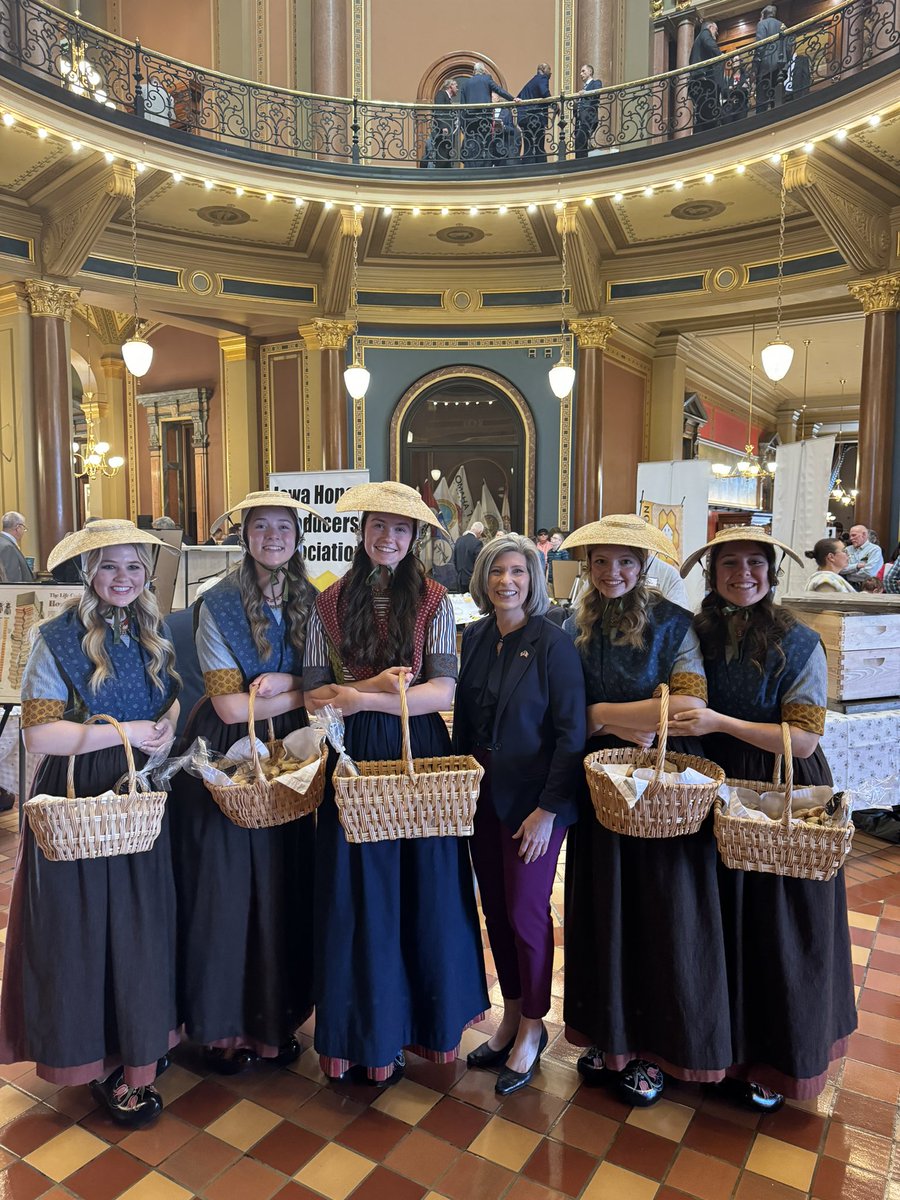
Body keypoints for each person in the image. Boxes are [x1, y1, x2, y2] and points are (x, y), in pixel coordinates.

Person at [304, 481, 489, 1085]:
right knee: (360, 895)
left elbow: (443, 691)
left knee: (423, 892)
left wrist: (361, 694)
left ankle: (423, 1031)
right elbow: (313, 696)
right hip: (352, 756)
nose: (388, 538)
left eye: (400, 530)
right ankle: (366, 1036)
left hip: (416, 754)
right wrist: (376, 690)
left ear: (416, 539)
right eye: (379, 526)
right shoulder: (327, 602)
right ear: (363, 532)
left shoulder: (435, 599)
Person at [0, 520, 181, 1126]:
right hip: (80, 791)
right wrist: (126, 732)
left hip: (139, 791)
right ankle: (98, 1058)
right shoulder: (57, 638)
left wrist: (164, 731)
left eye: (133, 566)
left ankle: (138, 1046)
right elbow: (40, 731)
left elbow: (172, 697)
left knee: (138, 925)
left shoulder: (153, 632)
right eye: (109, 567)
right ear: (87, 573)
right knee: (85, 931)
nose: (123, 579)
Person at [675, 527, 856, 1106]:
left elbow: (802, 740)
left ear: (772, 573)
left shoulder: (799, 642)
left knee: (775, 924)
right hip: (713, 785)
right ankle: (717, 1048)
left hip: (781, 789)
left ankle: (777, 1059)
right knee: (718, 920)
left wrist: (719, 724)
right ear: (714, 572)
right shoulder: (694, 634)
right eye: (730, 563)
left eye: (755, 563)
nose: (743, 573)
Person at [560, 515, 726, 1107]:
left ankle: (657, 1049)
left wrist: (601, 713)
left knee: (662, 914)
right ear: (588, 566)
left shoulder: (674, 625)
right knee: (604, 911)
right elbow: (565, 707)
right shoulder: (571, 625)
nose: (613, 573)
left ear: (644, 565)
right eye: (601, 562)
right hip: (600, 784)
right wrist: (609, 718)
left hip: (665, 789)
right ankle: (612, 1038)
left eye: (625, 562)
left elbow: (686, 704)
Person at [171, 489, 319, 1074]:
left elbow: (327, 686)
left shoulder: (315, 599)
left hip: (292, 757)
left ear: (297, 535)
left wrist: (286, 682)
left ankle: (272, 1022)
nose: (274, 537)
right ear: (245, 534)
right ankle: (219, 1027)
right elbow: (231, 707)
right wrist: (296, 687)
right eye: (262, 527)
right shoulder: (217, 603)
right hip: (229, 760)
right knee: (224, 892)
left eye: (284, 526)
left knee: (283, 886)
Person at [454, 535, 585, 1095]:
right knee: (496, 915)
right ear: (484, 579)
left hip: (533, 804)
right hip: (481, 798)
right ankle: (510, 1014)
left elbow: (570, 734)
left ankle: (534, 1025)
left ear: (533, 578)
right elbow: (465, 719)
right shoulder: (478, 634)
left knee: (528, 911)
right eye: (496, 572)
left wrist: (548, 811)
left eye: (518, 572)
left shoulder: (554, 644)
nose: (506, 581)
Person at [459, 63, 515, 168]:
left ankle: (471, 167)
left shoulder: (466, 84)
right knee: (485, 143)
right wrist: (513, 99)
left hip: (470, 120)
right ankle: (485, 166)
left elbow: (462, 106)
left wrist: (462, 123)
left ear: (474, 71)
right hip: (484, 118)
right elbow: (499, 90)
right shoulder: (486, 79)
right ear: (483, 70)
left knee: (472, 143)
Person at [689, 21, 725, 132]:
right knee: (707, 108)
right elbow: (709, 43)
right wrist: (720, 55)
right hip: (703, 80)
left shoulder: (698, 40)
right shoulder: (705, 33)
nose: (717, 33)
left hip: (699, 81)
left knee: (704, 110)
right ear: (710, 27)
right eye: (716, 29)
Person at [518, 64, 553, 165]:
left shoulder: (531, 82)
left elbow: (519, 97)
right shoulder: (542, 78)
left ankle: (527, 166)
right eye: (549, 69)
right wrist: (554, 103)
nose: (550, 72)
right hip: (535, 118)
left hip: (525, 118)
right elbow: (545, 92)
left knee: (528, 144)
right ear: (542, 69)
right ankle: (541, 166)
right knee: (539, 144)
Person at [754, 5, 787, 114]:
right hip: (781, 66)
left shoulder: (762, 24)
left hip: (766, 67)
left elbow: (760, 45)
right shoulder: (782, 25)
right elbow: (789, 46)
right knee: (777, 99)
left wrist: (755, 68)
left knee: (762, 100)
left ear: (763, 15)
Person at [573, 63, 601, 158]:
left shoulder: (596, 82)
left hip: (589, 118)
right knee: (580, 142)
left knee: (580, 141)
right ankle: (581, 162)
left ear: (590, 72)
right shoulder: (584, 89)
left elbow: (597, 92)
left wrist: (584, 93)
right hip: (581, 120)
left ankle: (580, 164)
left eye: (583, 71)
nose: (581, 74)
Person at [0, 511, 34, 582]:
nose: (23, 532)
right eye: (23, 528)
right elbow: (12, 580)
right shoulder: (7, 547)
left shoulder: (3, 541)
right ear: (18, 528)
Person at [432, 77, 459, 167]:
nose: (457, 89)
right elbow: (438, 111)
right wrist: (443, 126)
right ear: (450, 86)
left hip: (449, 133)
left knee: (447, 157)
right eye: (456, 86)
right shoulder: (441, 94)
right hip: (442, 133)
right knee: (442, 157)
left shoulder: (448, 99)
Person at [453, 520, 485, 592]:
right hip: (471, 580)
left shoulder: (459, 540)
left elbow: (454, 559)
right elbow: (479, 562)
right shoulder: (477, 543)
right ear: (479, 532)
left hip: (459, 579)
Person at [490, 91, 520, 166]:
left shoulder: (506, 112)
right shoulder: (487, 112)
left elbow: (512, 130)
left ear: (498, 99)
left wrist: (503, 126)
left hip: (502, 147)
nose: (490, 99)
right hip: (489, 147)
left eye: (492, 97)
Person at [722, 55, 750, 123]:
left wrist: (733, 90)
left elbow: (745, 90)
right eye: (733, 61)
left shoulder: (745, 76)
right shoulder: (728, 78)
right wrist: (736, 89)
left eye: (736, 60)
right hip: (730, 107)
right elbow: (724, 92)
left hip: (741, 105)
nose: (734, 62)